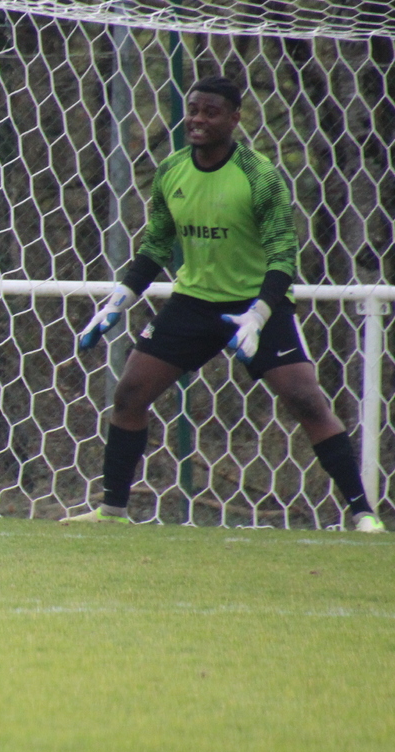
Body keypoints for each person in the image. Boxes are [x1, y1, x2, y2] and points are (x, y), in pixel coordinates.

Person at [66, 75, 384, 532]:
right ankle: (112, 510)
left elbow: (282, 257)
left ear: (234, 119)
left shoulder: (259, 175)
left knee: (306, 400)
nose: (197, 119)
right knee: (130, 394)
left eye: (209, 111)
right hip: (193, 302)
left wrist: (257, 315)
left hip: (256, 304)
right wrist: (119, 299)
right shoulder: (172, 170)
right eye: (193, 109)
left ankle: (363, 513)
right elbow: (156, 245)